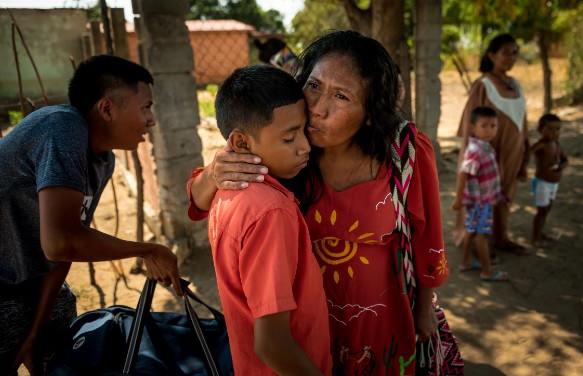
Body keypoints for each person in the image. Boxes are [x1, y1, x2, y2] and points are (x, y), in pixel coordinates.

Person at [188, 30, 450, 375]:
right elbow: (198, 204)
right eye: (313, 86)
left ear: (371, 112)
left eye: (341, 96)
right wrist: (213, 173)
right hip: (301, 329)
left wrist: (424, 308)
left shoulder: (405, 151)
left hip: (381, 319)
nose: (317, 109)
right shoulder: (280, 153)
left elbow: (426, 233)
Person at [0, 55, 182, 375]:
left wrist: (36, 331)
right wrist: (147, 249)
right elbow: (61, 242)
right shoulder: (63, 127)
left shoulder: (102, 159)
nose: (151, 120)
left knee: (60, 341)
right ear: (107, 108)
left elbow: (70, 244)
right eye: (145, 107)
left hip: (30, 280)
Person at [188, 65, 331, 375]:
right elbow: (271, 344)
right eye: (289, 138)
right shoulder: (271, 211)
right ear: (240, 144)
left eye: (304, 130)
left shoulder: (226, 190)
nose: (305, 146)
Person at [455, 33, 530, 256]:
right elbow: (470, 122)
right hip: (486, 155)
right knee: (481, 198)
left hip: (512, 153)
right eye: (506, 52)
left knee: (505, 193)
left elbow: (523, 121)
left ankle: (501, 236)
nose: (512, 57)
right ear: (491, 55)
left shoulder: (515, 84)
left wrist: (525, 153)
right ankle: (477, 241)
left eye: (515, 52)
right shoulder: (483, 85)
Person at [452, 107, 508, 281]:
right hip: (480, 203)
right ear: (472, 128)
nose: (490, 130)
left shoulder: (484, 146)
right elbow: (464, 173)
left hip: (482, 200)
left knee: (471, 229)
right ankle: (487, 271)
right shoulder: (476, 151)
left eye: (493, 126)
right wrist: (458, 199)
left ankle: (466, 262)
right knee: (482, 235)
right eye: (484, 126)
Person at [530, 114, 568, 247]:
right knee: (542, 210)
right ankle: (535, 238)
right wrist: (521, 170)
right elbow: (527, 154)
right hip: (542, 184)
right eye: (550, 129)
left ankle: (540, 233)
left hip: (554, 184)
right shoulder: (541, 145)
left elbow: (565, 159)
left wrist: (562, 166)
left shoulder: (556, 144)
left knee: (547, 209)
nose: (554, 132)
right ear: (540, 130)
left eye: (557, 129)